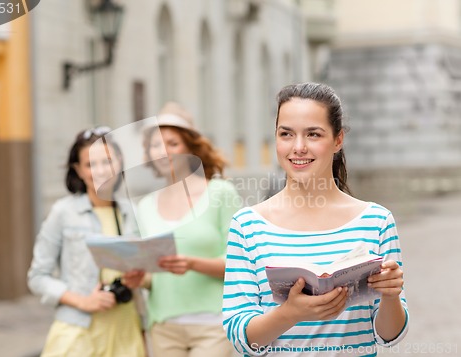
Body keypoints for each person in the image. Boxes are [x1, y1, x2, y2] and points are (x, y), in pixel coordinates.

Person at [222, 83, 409, 356]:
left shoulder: (376, 221)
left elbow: (389, 336)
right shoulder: (247, 225)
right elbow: (241, 339)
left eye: (313, 134)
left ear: (338, 140)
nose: (298, 147)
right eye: (286, 134)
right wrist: (289, 314)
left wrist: (391, 295)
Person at [124, 102, 242, 357]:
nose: (164, 152)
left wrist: (192, 263)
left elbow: (240, 263)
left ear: (190, 148)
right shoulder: (144, 206)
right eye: (156, 145)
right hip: (163, 325)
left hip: (213, 324)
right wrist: (138, 278)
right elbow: (152, 274)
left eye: (173, 143)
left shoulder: (220, 193)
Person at [28, 127, 146, 357]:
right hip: (78, 334)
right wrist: (83, 301)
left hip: (126, 331)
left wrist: (138, 278)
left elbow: (142, 268)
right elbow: (37, 277)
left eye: (107, 161)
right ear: (78, 170)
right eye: (91, 164)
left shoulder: (130, 212)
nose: (100, 171)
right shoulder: (63, 212)